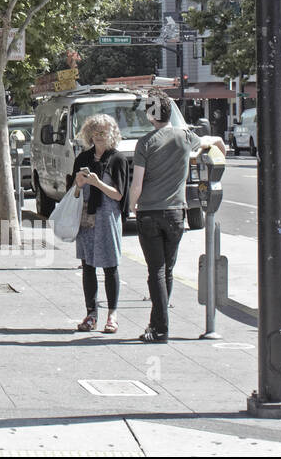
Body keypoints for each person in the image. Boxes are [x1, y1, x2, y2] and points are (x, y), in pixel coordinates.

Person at [129, 91, 227, 342]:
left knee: (156, 271)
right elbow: (213, 141)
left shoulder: (145, 143)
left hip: (149, 212)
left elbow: (137, 183)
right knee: (167, 270)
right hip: (176, 212)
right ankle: (158, 322)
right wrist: (221, 151)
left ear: (151, 115)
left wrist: (131, 206)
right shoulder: (185, 137)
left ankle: (160, 327)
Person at [71, 114, 129, 334]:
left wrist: (97, 183)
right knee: (88, 265)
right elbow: (73, 193)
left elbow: (119, 195)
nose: (99, 137)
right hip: (87, 216)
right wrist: (78, 183)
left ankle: (112, 315)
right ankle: (91, 314)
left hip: (107, 218)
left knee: (110, 265)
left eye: (103, 133)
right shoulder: (83, 158)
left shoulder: (117, 159)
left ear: (112, 134)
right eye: (95, 133)